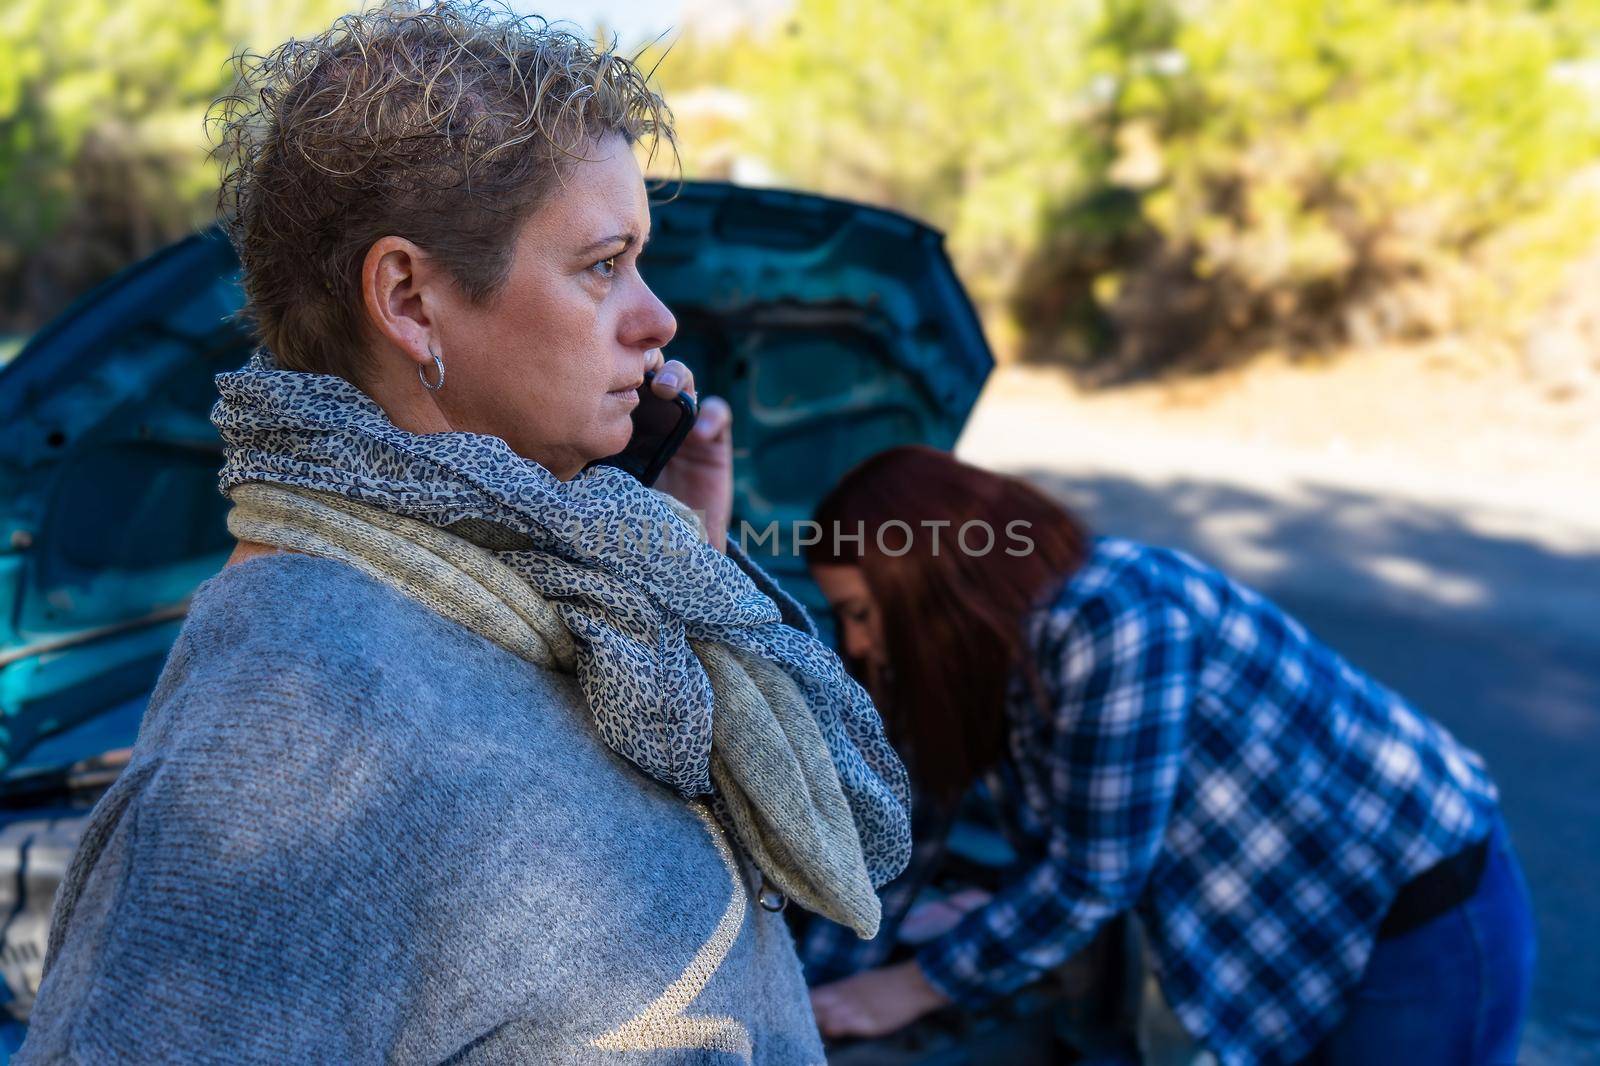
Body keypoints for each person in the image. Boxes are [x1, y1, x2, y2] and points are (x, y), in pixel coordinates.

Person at [15, 4, 910, 1063]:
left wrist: (671, 556)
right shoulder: (292, 727)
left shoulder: (562, 587)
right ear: (409, 299)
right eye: (602, 264)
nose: (658, 319)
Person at [798, 445, 1535, 1066]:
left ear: (939, 582)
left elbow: (1093, 878)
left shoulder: (1111, 616)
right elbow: (901, 829)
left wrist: (913, 986)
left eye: (863, 613)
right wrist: (812, 998)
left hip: (1419, 914)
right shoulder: (965, 664)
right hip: (1298, 917)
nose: (856, 644)